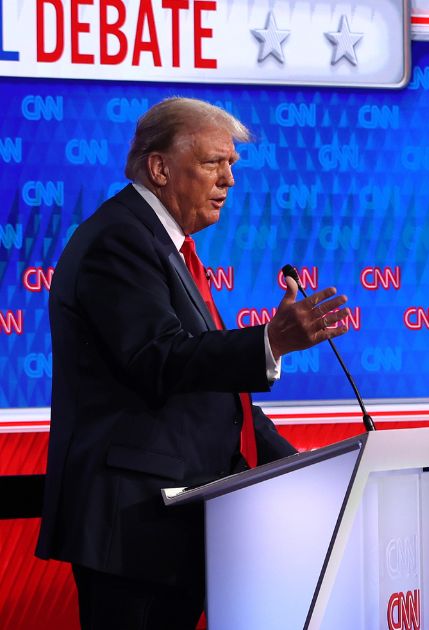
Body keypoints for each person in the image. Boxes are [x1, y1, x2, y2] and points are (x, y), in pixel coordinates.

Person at [35, 97, 352, 630]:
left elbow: (212, 395)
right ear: (159, 167)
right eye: (212, 163)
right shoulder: (119, 241)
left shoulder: (162, 245)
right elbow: (158, 359)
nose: (228, 180)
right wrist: (268, 342)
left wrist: (306, 468)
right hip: (132, 529)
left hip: (169, 529)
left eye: (232, 165)